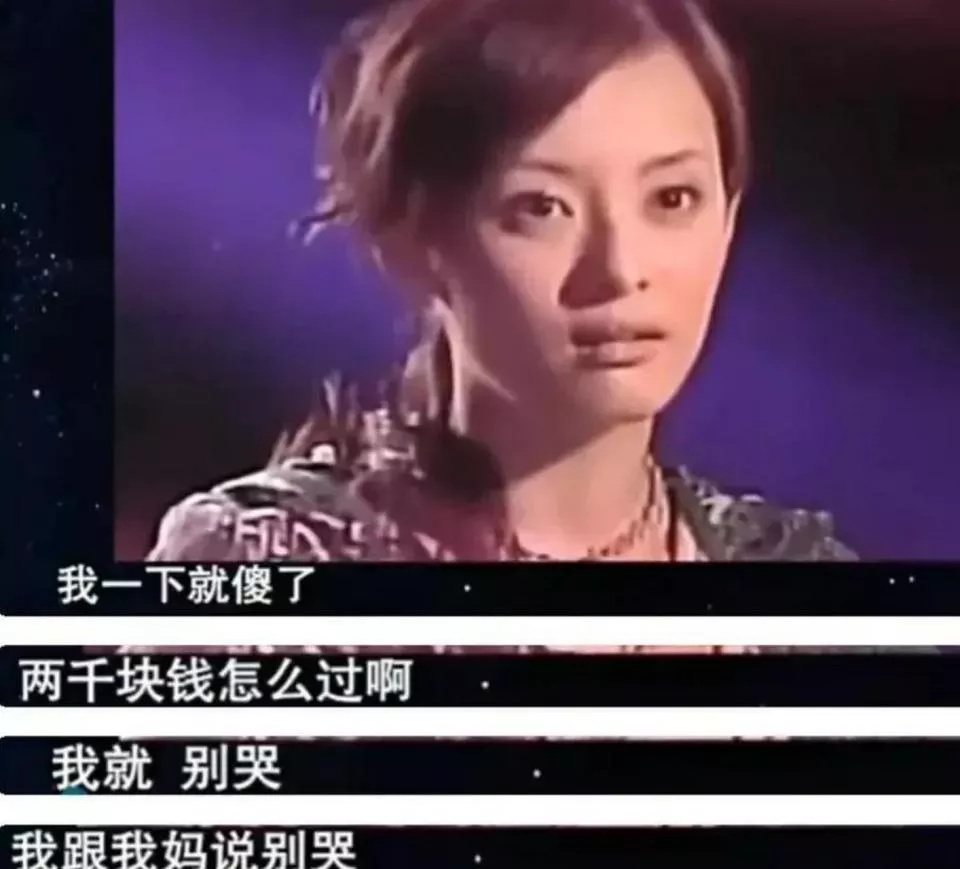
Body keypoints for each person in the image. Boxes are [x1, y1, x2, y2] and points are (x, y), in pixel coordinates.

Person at [148, 0, 855, 563]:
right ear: (414, 241)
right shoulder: (269, 565)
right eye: (542, 207)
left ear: (728, 218)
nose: (621, 269)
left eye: (672, 199)